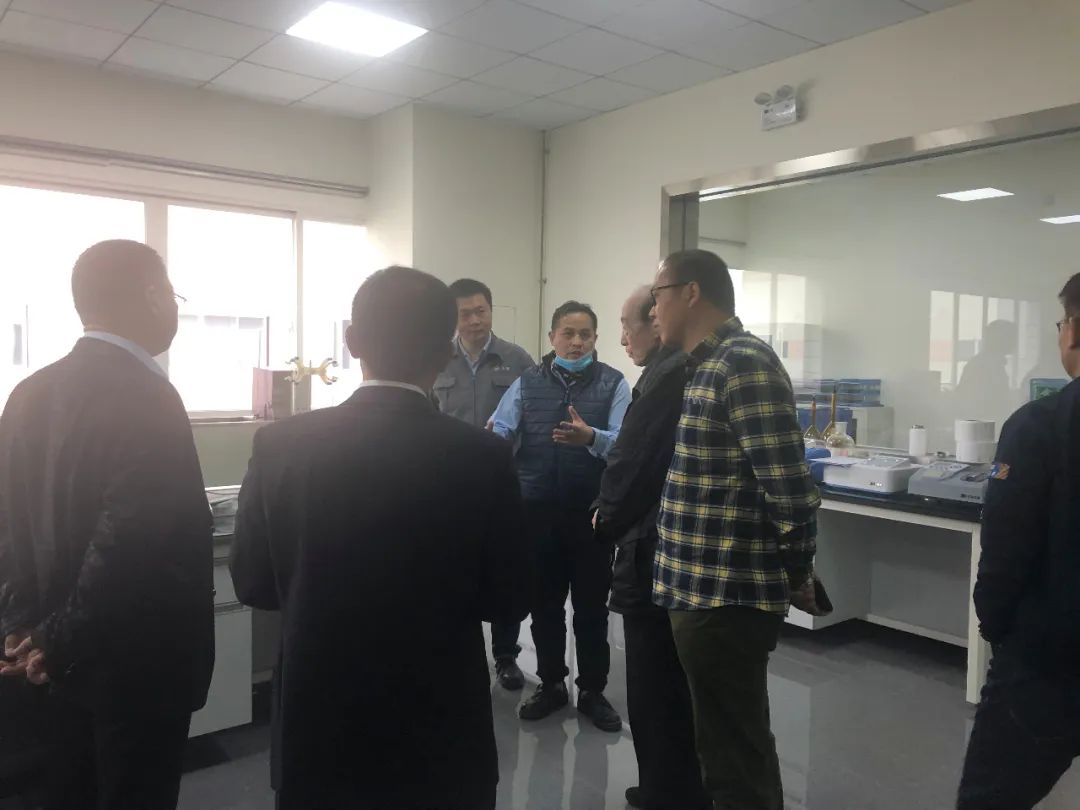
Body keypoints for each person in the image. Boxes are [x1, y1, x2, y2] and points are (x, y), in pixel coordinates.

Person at [230, 266, 530, 810]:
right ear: (446, 351)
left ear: (351, 342)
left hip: (320, 725)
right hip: (440, 729)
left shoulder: (280, 445)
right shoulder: (482, 456)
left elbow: (253, 582)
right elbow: (506, 598)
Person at [0, 240, 214, 810]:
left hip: (44, 666)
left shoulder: (26, 393)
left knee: (63, 793)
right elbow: (129, 541)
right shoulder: (149, 396)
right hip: (133, 668)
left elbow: (8, 524)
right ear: (152, 295)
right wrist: (57, 635)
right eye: (173, 295)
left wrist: (22, 625)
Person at [650, 249, 822, 810]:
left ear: (691, 292)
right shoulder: (704, 365)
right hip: (698, 589)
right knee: (720, 744)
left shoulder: (742, 362)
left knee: (735, 753)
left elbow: (789, 489)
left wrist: (797, 572)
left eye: (657, 296)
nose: (653, 310)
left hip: (725, 596)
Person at [956, 273, 1080, 810]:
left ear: (1073, 330)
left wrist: (998, 630)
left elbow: (1005, 550)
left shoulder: (1041, 425)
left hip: (1048, 662)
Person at [593, 286, 709, 810]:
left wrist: (604, 516)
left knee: (655, 681)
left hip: (652, 550)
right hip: (669, 547)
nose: (623, 338)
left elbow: (631, 460)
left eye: (628, 324)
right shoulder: (680, 369)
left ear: (657, 321)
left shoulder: (667, 375)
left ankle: (667, 791)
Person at [490, 301, 630, 732]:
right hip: (537, 512)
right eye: (568, 333)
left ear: (596, 339)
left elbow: (625, 445)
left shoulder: (614, 383)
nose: (576, 342)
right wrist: (491, 444)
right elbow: (500, 427)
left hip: (591, 515)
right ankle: (551, 683)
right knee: (545, 606)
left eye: (585, 334)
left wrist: (591, 437)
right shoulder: (527, 382)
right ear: (552, 337)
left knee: (591, 609)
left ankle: (592, 690)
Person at [433, 278, 535, 691]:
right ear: (452, 318)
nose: (475, 320)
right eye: (465, 314)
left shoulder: (517, 359)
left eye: (481, 311)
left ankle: (506, 655)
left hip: (502, 482)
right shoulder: (437, 360)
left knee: (501, 567)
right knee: (454, 568)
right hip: (450, 485)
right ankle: (457, 651)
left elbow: (534, 418)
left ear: (491, 311)